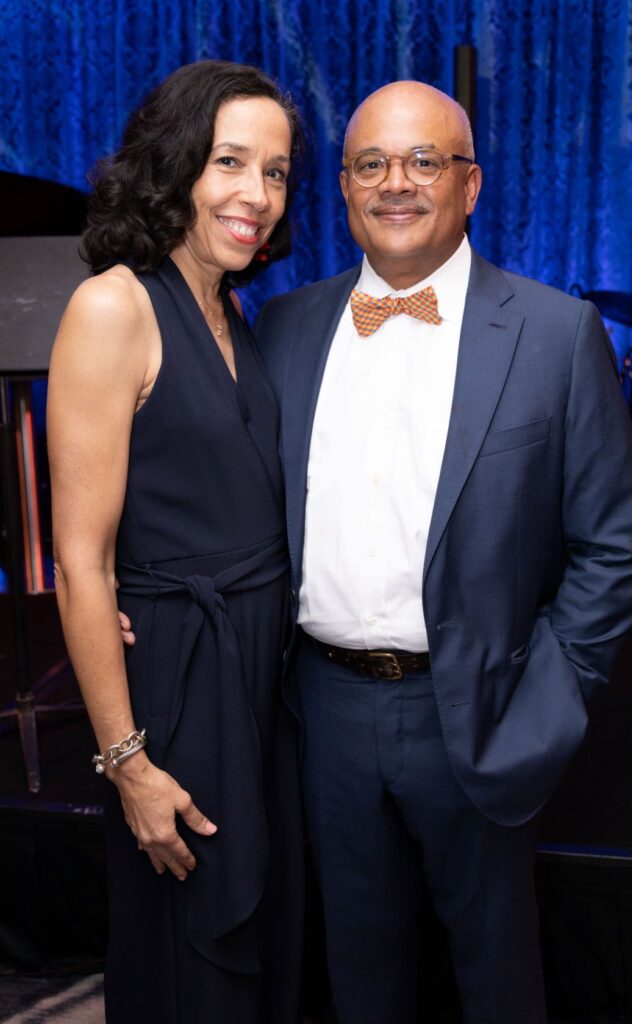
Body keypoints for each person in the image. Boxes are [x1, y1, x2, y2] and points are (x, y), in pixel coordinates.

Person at [255, 81, 632, 1024]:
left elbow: (611, 549)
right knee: (357, 980)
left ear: (469, 185)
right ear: (344, 189)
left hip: (478, 711)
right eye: (369, 164)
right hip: (323, 717)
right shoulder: (281, 329)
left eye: (423, 161)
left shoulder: (555, 334)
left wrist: (542, 711)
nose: (396, 183)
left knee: (495, 981)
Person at [47, 60, 304, 1024]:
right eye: (229, 161)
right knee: (192, 957)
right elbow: (80, 562)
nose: (256, 195)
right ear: (174, 162)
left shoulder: (231, 311)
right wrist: (129, 764)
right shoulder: (115, 305)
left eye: (275, 172)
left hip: (257, 683)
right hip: (179, 691)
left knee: (260, 945)